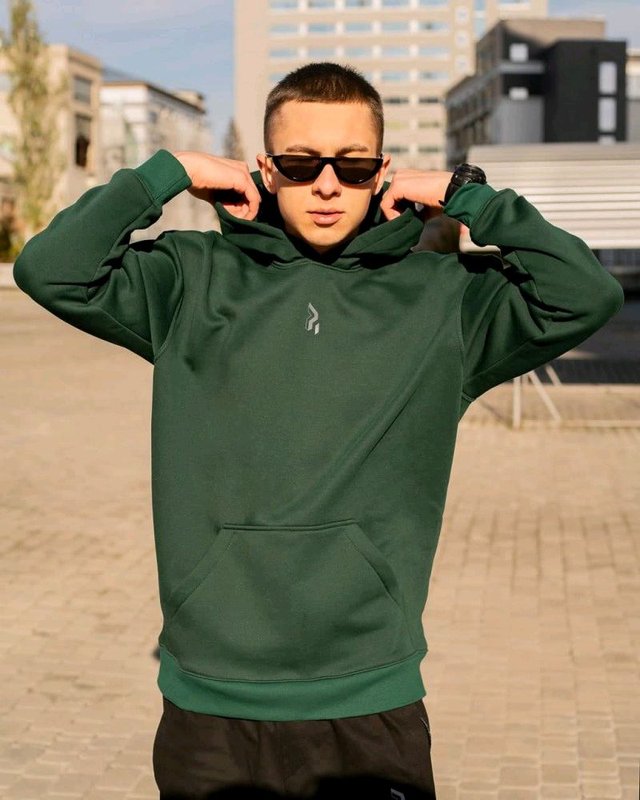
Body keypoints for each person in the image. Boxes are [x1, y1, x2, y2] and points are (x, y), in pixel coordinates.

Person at [13, 62, 624, 799]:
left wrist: (469, 197)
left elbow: (584, 295)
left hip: (369, 698)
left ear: (382, 172)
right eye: (301, 165)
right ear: (267, 170)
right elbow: (52, 270)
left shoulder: (445, 301)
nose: (328, 185)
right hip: (212, 701)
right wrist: (170, 172)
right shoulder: (189, 277)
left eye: (353, 165)